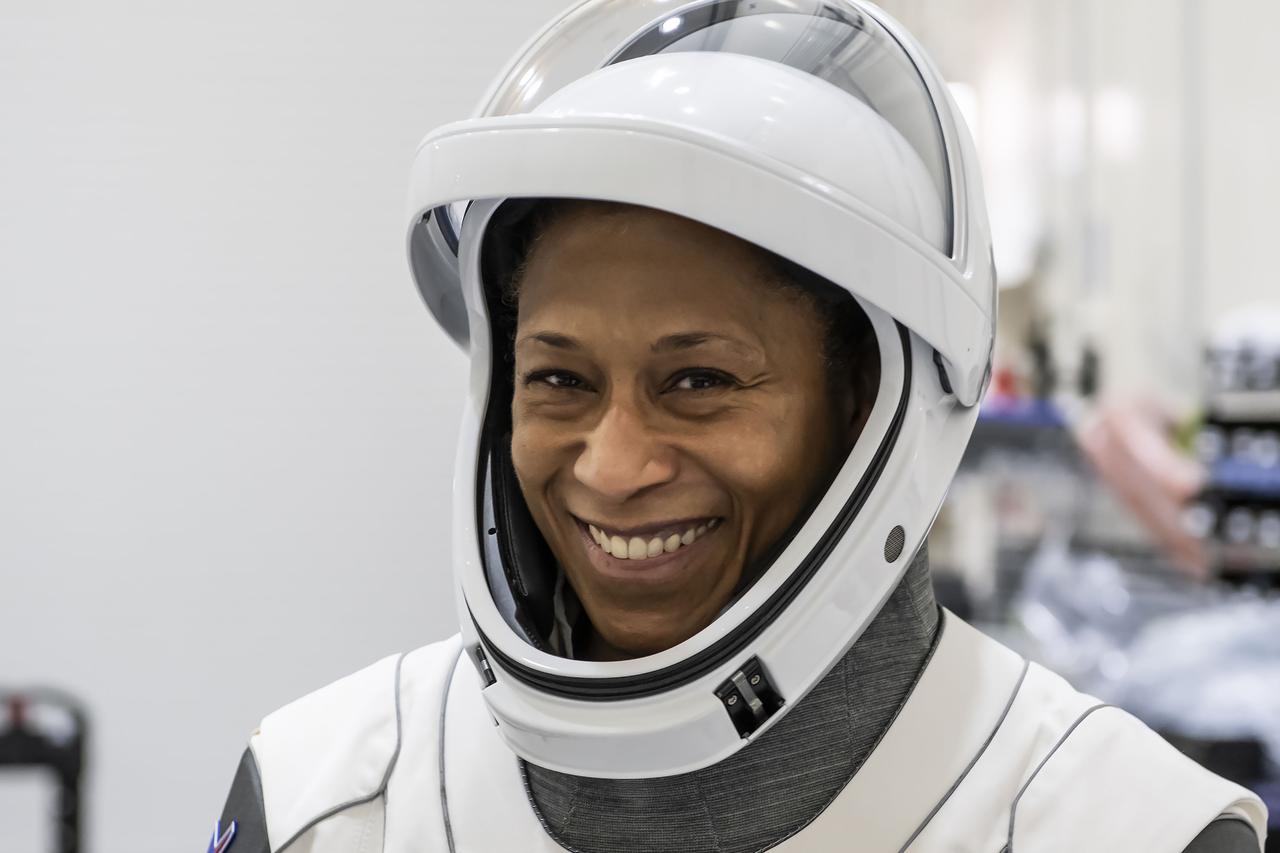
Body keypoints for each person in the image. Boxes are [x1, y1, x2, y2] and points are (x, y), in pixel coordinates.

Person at [214, 2, 1267, 851]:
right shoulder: (333, 800)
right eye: (558, 381)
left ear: (867, 411)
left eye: (699, 381)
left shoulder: (1121, 825)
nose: (612, 466)